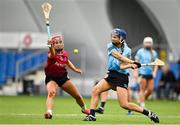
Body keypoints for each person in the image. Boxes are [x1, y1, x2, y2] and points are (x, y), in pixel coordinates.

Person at [84, 28, 159, 123]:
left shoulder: (127, 50)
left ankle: (148, 113)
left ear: (121, 38)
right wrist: (133, 62)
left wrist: (131, 66)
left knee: (124, 104)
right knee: (95, 90)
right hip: (111, 74)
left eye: (115, 37)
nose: (112, 38)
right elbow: (118, 56)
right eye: (112, 36)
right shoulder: (110, 46)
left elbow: (121, 66)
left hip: (121, 78)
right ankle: (92, 115)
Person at [44, 35, 89, 119]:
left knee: (77, 96)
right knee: (51, 93)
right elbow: (52, 54)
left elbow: (67, 61)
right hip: (52, 78)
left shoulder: (64, 53)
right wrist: (50, 47)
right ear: (53, 45)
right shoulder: (51, 53)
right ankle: (49, 112)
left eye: (60, 42)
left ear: (63, 44)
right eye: (56, 43)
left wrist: (75, 69)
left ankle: (84, 109)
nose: (58, 44)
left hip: (63, 78)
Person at [134, 37, 158, 108]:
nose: (148, 44)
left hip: (150, 73)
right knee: (142, 89)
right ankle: (142, 104)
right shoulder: (140, 51)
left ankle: (141, 99)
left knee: (150, 90)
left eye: (149, 43)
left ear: (152, 44)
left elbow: (156, 63)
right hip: (142, 73)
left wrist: (155, 72)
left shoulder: (154, 53)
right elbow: (136, 62)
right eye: (146, 42)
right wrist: (135, 72)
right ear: (144, 43)